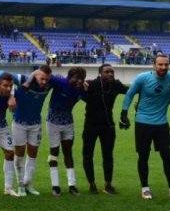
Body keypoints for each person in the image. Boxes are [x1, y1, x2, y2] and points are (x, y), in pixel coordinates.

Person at [120, 53, 170, 200]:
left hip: (162, 123)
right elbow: (130, 94)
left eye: (166, 64)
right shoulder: (143, 78)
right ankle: (145, 189)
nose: (163, 67)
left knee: (167, 157)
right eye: (160, 64)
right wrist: (123, 114)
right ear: (154, 65)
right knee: (143, 156)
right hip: (143, 123)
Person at [82, 63, 128, 194]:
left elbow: (131, 91)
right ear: (100, 74)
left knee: (108, 156)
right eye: (107, 72)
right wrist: (82, 85)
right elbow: (74, 87)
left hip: (108, 126)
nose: (110, 74)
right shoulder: (91, 84)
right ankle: (92, 184)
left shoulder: (116, 84)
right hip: (90, 126)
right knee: (87, 155)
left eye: (112, 72)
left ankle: (108, 185)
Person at [9, 65, 53, 196]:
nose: (44, 82)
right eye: (42, 79)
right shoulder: (22, 79)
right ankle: (20, 184)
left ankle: (28, 183)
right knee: (20, 153)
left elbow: (65, 80)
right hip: (19, 123)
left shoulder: (50, 83)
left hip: (35, 124)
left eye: (47, 79)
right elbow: (1, 73)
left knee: (33, 153)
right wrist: (11, 96)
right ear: (36, 75)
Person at [46, 67, 87, 196]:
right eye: (76, 78)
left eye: (81, 78)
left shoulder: (81, 89)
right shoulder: (59, 82)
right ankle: (55, 186)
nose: (78, 81)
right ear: (69, 77)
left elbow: (91, 98)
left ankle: (72, 185)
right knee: (54, 153)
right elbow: (45, 75)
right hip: (53, 122)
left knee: (68, 152)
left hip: (68, 123)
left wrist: (88, 85)